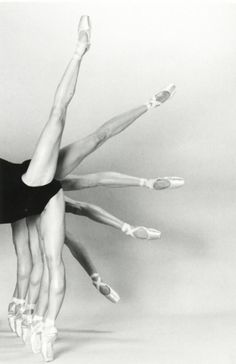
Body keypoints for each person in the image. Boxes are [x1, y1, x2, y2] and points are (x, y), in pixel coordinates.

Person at [3, 14, 182, 361]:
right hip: (28, 197)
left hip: (31, 182)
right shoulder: (52, 209)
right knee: (49, 251)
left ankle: (81, 52)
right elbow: (85, 208)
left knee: (70, 125)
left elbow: (89, 194)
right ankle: (37, 320)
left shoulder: (51, 194)